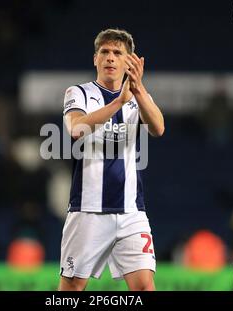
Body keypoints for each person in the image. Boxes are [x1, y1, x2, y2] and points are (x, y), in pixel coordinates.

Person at [59, 28, 165, 291]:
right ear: (95, 58)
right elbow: (76, 128)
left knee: (144, 287)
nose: (110, 57)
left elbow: (158, 128)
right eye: (104, 52)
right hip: (88, 211)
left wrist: (138, 91)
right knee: (72, 289)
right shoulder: (79, 93)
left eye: (117, 53)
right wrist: (118, 103)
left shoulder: (139, 98)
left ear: (128, 61)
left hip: (131, 212)